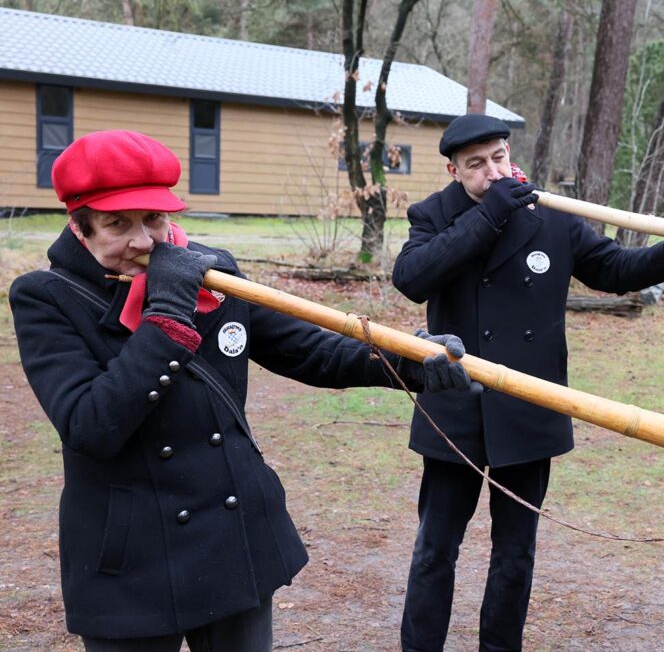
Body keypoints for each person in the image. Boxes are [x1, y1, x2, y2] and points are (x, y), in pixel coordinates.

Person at [8, 129, 476, 651]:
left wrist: (407, 360)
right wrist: (165, 314)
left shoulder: (207, 271)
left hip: (231, 539)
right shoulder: (45, 298)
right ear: (81, 227)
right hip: (128, 556)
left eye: (154, 220)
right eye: (118, 224)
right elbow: (90, 425)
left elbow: (308, 349)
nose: (143, 241)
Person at [392, 113, 664, 651]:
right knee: (436, 548)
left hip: (530, 405)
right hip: (455, 407)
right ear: (455, 170)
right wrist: (488, 217)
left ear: (510, 152)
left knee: (515, 553)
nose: (492, 171)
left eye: (499, 157)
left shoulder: (550, 216)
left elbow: (616, 270)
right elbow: (411, 279)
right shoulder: (433, 215)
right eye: (476, 165)